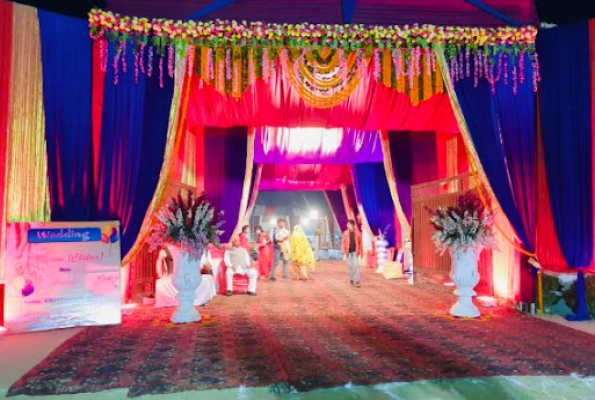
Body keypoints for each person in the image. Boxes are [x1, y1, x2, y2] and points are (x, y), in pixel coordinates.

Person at [342, 219, 363, 287]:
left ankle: (357, 281)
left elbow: (360, 243)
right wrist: (343, 251)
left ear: (353, 225)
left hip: (355, 252)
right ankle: (351, 280)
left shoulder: (357, 233)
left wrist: (360, 251)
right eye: (347, 224)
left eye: (349, 224)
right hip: (348, 252)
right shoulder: (345, 233)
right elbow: (343, 242)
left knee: (356, 266)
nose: (347, 225)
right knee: (350, 267)